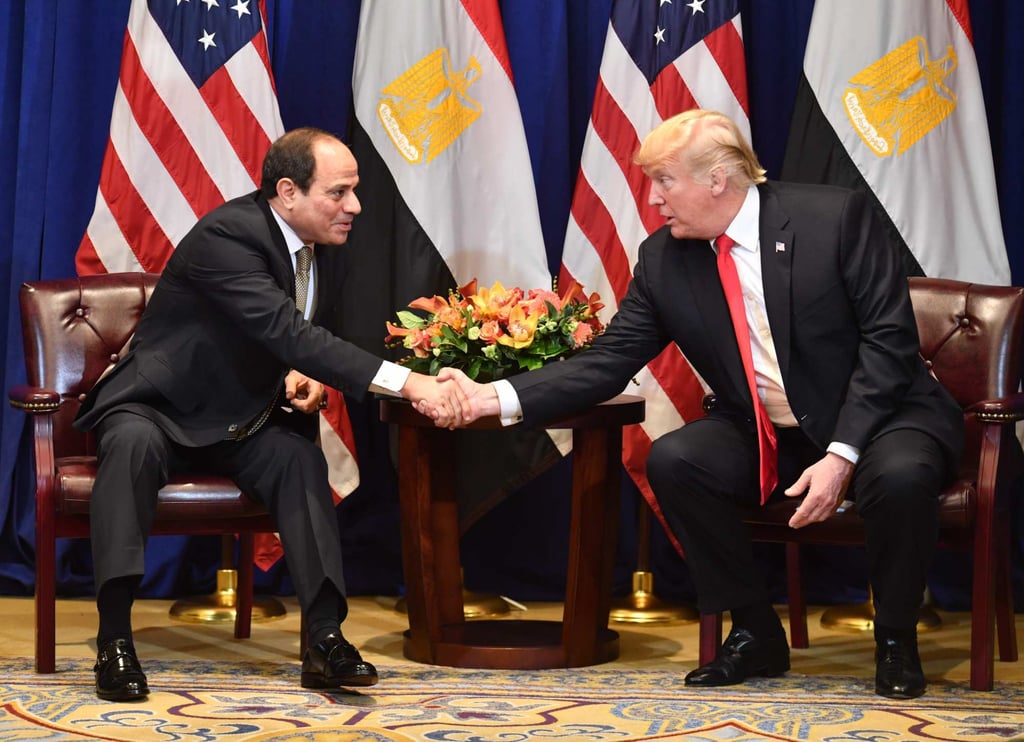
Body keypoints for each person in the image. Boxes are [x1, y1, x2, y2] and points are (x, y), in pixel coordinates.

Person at [428, 110, 963, 699]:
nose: (653, 199)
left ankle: (895, 640)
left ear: (718, 179)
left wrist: (842, 454)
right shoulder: (665, 258)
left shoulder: (834, 218)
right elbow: (608, 362)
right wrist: (492, 396)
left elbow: (888, 343)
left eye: (665, 181)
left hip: (885, 417)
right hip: (767, 428)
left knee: (902, 475)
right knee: (678, 460)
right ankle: (754, 630)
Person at [74, 127, 468, 701]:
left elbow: (295, 342)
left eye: (353, 191)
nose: (354, 206)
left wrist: (302, 376)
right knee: (131, 447)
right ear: (287, 192)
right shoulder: (228, 236)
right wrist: (408, 384)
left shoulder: (322, 246)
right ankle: (114, 642)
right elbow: (286, 330)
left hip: (239, 417)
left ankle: (326, 641)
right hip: (157, 407)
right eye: (339, 192)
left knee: (300, 461)